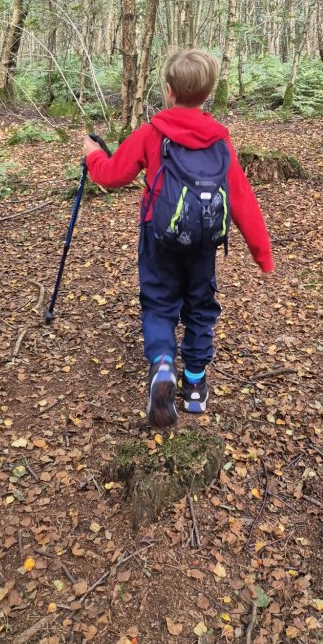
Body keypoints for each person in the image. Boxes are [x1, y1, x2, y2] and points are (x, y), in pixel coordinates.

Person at [82, 49, 274, 428]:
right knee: (200, 308)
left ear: (168, 91)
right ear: (208, 92)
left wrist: (92, 156)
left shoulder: (152, 134)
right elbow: (241, 200)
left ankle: (163, 366)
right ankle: (197, 388)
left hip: (158, 239)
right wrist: (262, 255)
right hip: (204, 243)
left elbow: (111, 175)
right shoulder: (220, 143)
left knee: (158, 305)